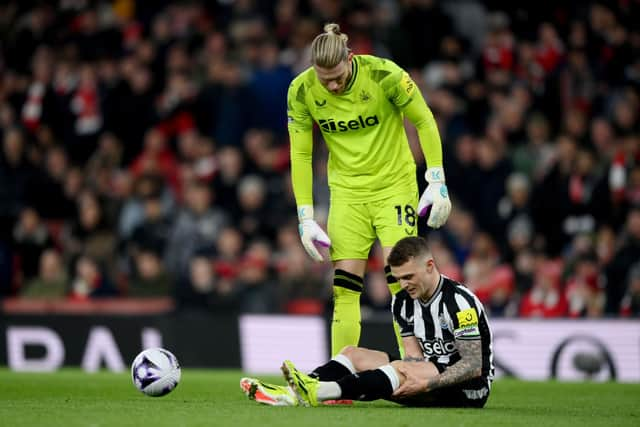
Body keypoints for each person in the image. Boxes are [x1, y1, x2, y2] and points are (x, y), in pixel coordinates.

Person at [288, 23, 451, 357]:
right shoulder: (301, 91)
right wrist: (305, 216)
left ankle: (414, 368)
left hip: (394, 188)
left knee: (403, 282)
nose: (331, 85)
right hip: (347, 195)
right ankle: (340, 376)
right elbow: (301, 154)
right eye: (324, 78)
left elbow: (424, 120)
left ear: (350, 58)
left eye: (337, 76)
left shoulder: (384, 75)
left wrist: (436, 180)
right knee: (345, 287)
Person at [240, 236, 493, 408]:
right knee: (353, 354)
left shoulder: (459, 302)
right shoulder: (403, 302)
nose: (404, 284)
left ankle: (318, 392)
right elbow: (415, 357)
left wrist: (424, 383)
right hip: (428, 374)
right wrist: (408, 374)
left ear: (429, 266)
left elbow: (473, 365)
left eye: (408, 276)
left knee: (398, 370)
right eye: (399, 278)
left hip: (469, 389)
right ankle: (294, 394)